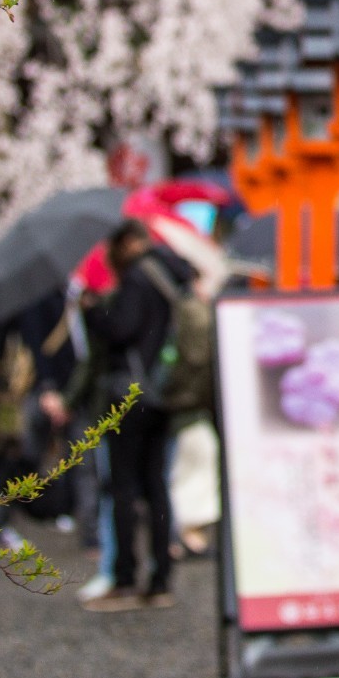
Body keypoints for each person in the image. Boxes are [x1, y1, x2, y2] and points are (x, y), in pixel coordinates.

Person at [80, 219, 197, 612]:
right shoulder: (174, 274)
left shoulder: (137, 278)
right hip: (166, 391)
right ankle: (162, 578)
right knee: (157, 484)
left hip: (131, 393)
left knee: (124, 487)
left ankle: (127, 578)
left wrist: (94, 313)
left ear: (129, 242)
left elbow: (122, 330)